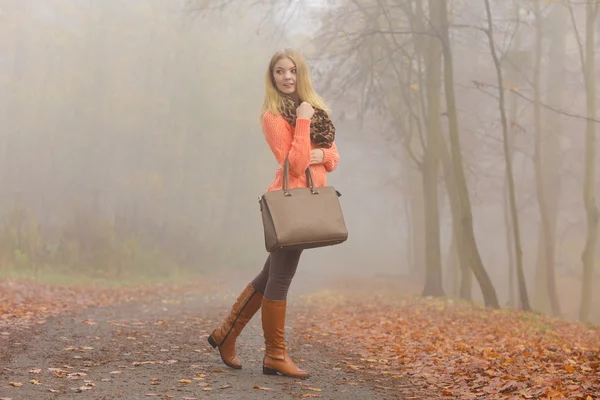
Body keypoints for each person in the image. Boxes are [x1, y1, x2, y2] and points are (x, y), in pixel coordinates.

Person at [207, 48, 340, 379]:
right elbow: (294, 163)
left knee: (270, 275)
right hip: (288, 203)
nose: (287, 77)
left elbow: (334, 158)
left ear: (301, 74)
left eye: (292, 70)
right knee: (280, 277)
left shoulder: (317, 110)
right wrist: (305, 123)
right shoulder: (273, 117)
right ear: (272, 77)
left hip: (304, 200)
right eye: (280, 71)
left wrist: (318, 150)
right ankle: (275, 355)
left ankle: (227, 334)